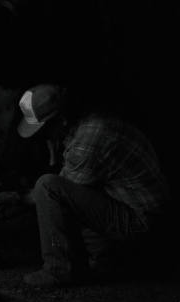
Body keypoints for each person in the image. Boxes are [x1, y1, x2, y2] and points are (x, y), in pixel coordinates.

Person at [17, 83, 171, 288]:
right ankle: (103, 259)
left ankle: (58, 270)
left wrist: (17, 199)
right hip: (138, 205)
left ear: (59, 121)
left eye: (44, 131)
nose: (42, 137)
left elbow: (60, 190)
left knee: (47, 187)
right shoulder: (88, 122)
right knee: (75, 189)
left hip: (142, 220)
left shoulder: (87, 141)